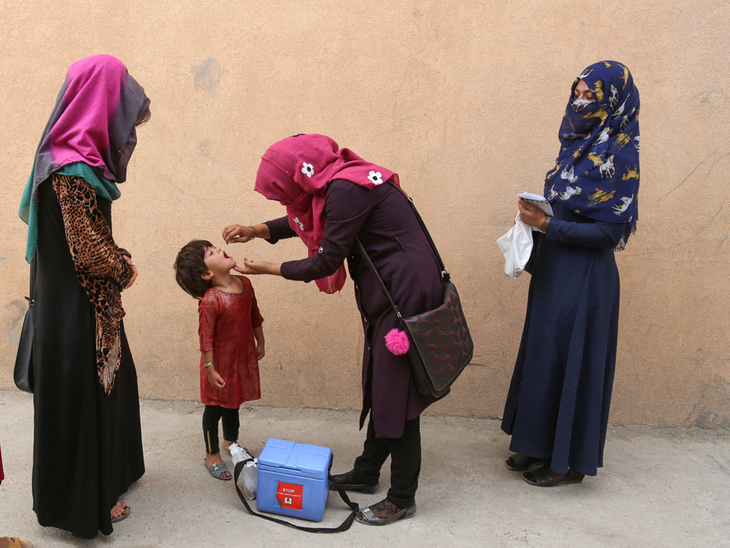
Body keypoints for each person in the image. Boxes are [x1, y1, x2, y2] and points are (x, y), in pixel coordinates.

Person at [222, 133, 444, 525]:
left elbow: (326, 261)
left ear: (299, 175)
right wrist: (256, 229)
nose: (285, 202)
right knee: (382, 384)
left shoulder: (345, 191)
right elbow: (305, 218)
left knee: (398, 396)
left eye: (283, 192)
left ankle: (402, 496)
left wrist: (268, 269)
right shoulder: (338, 182)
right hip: (392, 290)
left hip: (404, 296)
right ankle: (367, 472)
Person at [18, 55, 150, 538]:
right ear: (101, 107)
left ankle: (111, 477)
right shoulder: (71, 170)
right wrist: (126, 267)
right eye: (122, 115)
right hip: (79, 315)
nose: (127, 131)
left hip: (75, 306)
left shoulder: (66, 159)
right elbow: (90, 253)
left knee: (115, 386)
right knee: (83, 398)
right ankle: (83, 503)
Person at [501, 61, 640, 486]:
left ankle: (569, 464)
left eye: (589, 96)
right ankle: (537, 444)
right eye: (576, 93)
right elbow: (566, 204)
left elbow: (608, 231)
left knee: (573, 361)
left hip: (585, 279)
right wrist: (536, 218)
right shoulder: (576, 145)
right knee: (545, 356)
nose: (579, 102)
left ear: (612, 102)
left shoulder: (618, 154)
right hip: (555, 270)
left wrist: (548, 226)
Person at [174, 240, 265, 481]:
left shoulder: (245, 283)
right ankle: (211, 454)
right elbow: (205, 338)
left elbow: (255, 314)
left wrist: (260, 342)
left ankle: (231, 443)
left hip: (240, 362)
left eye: (214, 247)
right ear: (207, 274)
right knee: (214, 410)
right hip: (218, 366)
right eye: (211, 253)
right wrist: (210, 369)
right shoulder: (212, 300)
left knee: (233, 405)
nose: (218, 249)